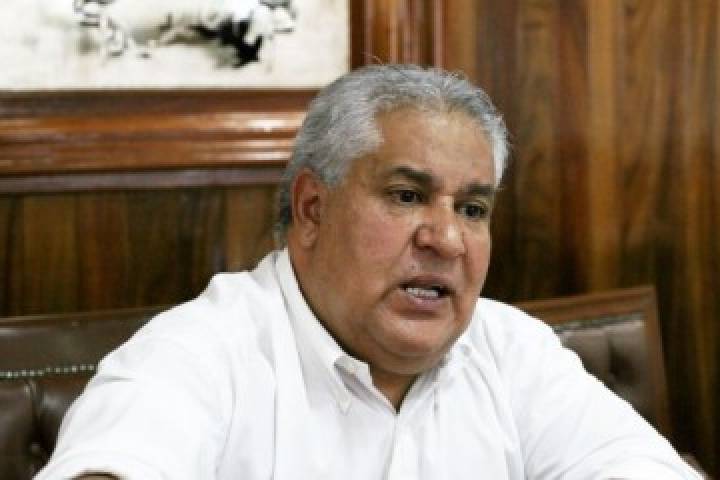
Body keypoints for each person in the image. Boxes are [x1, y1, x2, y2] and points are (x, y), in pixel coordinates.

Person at [36, 64, 699, 480]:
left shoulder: (511, 349)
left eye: (472, 209)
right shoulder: (198, 352)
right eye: (407, 196)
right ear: (313, 208)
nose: (446, 239)